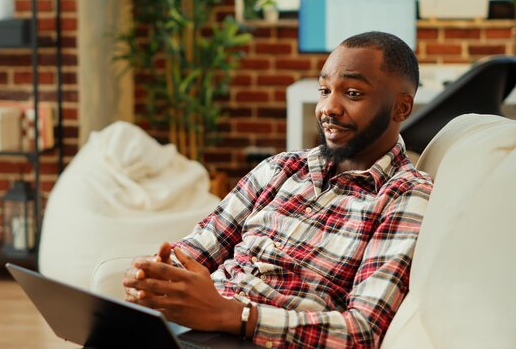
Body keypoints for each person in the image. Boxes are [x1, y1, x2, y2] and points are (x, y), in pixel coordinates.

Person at [122, 31, 433, 348]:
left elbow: (362, 331)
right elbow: (195, 250)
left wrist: (234, 316)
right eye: (324, 90)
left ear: (402, 108)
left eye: (352, 93)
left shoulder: (404, 194)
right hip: (194, 332)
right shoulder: (280, 169)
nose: (328, 107)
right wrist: (155, 276)